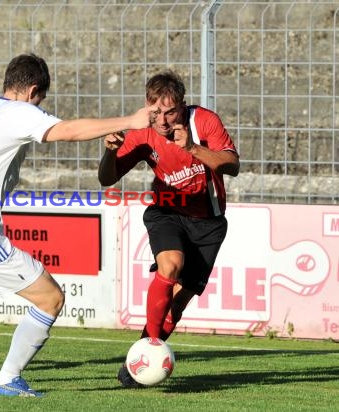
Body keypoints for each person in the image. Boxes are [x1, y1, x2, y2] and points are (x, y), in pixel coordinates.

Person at [0, 53, 153, 397]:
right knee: (50, 298)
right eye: (41, 100)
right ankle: (7, 378)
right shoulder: (20, 113)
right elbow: (65, 131)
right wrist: (131, 120)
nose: (40, 108)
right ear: (33, 90)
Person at [97, 70, 239, 388]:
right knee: (170, 264)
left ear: (183, 107)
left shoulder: (204, 122)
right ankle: (148, 349)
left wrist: (193, 149)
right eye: (155, 111)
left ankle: (142, 356)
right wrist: (108, 151)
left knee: (179, 301)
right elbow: (106, 179)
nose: (162, 119)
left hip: (209, 222)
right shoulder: (142, 132)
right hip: (167, 213)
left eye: (169, 111)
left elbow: (233, 165)